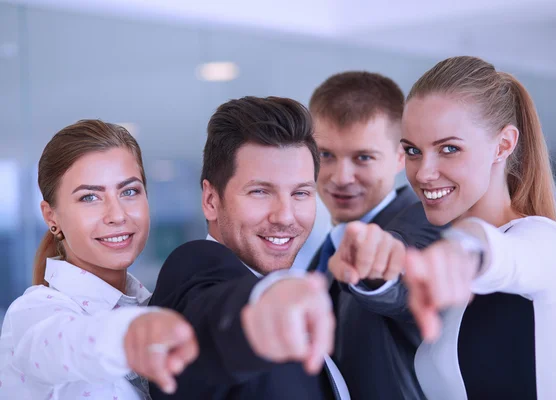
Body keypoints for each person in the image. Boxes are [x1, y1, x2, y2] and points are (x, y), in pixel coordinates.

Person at [397, 56, 556, 399]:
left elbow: (508, 255)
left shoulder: (546, 242)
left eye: (449, 149)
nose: (423, 173)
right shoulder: (447, 264)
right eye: (413, 150)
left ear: (503, 145)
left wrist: (465, 246)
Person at [149, 96, 346, 400]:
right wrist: (262, 301)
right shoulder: (192, 268)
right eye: (260, 191)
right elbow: (209, 325)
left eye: (301, 193)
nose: (285, 215)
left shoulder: (308, 292)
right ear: (211, 200)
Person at [0, 120, 198, 400]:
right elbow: (65, 344)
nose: (117, 215)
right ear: (50, 216)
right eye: (90, 197)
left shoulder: (155, 304)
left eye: (129, 191)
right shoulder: (31, 315)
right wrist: (132, 333)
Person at [307, 71, 443, 399]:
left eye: (363, 157)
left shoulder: (423, 223)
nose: (341, 177)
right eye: (325, 155)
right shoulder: (323, 249)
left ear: (401, 155)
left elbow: (401, 271)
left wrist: (377, 271)